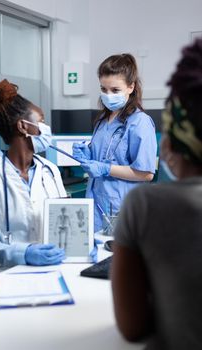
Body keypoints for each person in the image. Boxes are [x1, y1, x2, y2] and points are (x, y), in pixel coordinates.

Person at [111, 38, 202, 349]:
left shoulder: (146, 205)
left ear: (171, 141)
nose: (109, 95)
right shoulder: (104, 121)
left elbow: (133, 326)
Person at [0, 79, 66, 280]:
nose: (46, 128)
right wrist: (21, 254)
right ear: (23, 126)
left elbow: (64, 218)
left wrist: (81, 245)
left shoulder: (50, 171)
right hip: (0, 275)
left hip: (48, 272)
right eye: (42, 121)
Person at [73, 54, 157, 232]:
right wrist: (87, 155)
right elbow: (103, 156)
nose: (108, 95)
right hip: (94, 203)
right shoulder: (103, 120)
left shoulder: (140, 122)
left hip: (122, 208)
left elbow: (146, 173)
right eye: (103, 89)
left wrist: (105, 168)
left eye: (115, 90)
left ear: (130, 87)